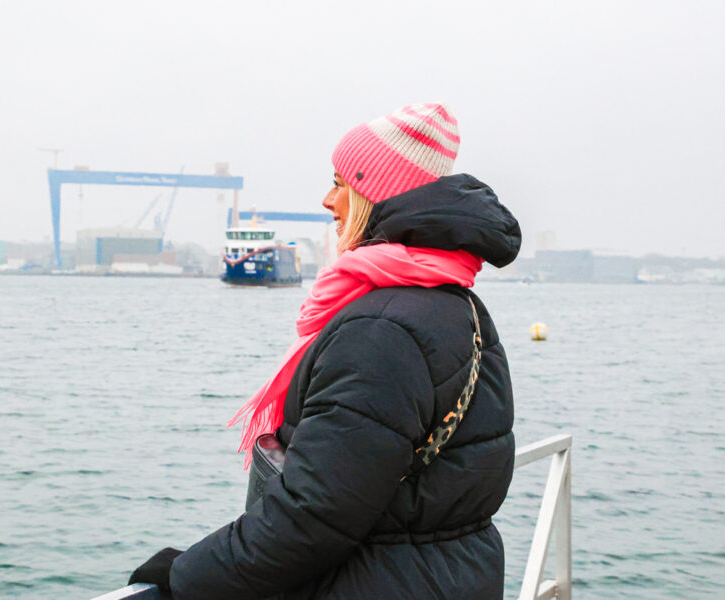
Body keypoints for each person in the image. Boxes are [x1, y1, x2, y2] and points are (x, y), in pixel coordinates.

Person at [128, 102, 521, 599]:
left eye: (340, 182)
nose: (327, 199)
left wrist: (184, 574)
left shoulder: (382, 329)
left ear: (373, 193)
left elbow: (315, 514)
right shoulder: (455, 303)